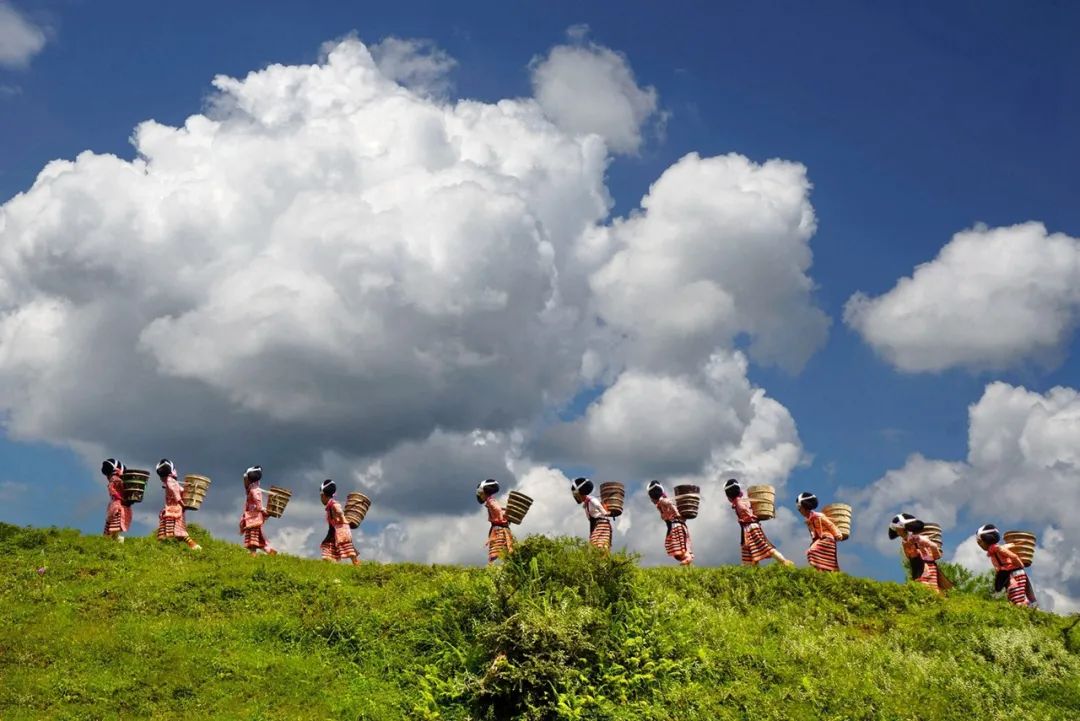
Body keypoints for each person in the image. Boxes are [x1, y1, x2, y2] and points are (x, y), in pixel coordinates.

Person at [725, 479, 792, 567]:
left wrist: (745, 519)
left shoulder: (739, 503)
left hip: (750, 528)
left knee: (764, 546)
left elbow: (747, 515)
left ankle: (784, 562)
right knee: (749, 548)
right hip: (749, 528)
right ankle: (752, 567)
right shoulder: (743, 500)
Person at [976, 524, 1037, 608]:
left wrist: (1020, 565)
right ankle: (1026, 610)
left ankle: (1026, 612)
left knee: (1016, 598)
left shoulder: (999, 549)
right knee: (1013, 597)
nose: (980, 544)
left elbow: (1013, 556)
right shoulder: (993, 551)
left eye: (980, 542)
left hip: (1015, 574)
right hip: (1008, 575)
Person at [888, 513, 951, 594]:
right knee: (925, 590)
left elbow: (937, 554)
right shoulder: (910, 543)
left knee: (932, 590)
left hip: (929, 571)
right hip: (921, 572)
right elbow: (911, 555)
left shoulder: (920, 544)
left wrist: (929, 543)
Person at [156, 459, 201, 550]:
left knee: (175, 530)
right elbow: (176, 493)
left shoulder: (170, 481)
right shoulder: (171, 481)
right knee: (174, 530)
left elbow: (177, 491)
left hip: (173, 509)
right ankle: (192, 546)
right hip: (174, 509)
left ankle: (193, 545)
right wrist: (182, 503)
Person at [647, 481, 693, 565]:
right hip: (674, 525)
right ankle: (687, 561)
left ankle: (688, 557)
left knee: (678, 547)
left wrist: (678, 515)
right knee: (675, 550)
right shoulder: (660, 504)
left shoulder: (663, 501)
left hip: (676, 525)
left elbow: (671, 505)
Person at [796, 492, 841, 572]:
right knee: (817, 554)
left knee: (812, 551)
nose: (800, 511)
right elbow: (813, 533)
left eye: (800, 509)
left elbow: (830, 524)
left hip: (827, 538)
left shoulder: (819, 516)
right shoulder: (808, 521)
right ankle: (820, 571)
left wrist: (837, 533)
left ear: (804, 507)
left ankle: (822, 570)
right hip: (820, 539)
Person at [319, 479, 359, 565]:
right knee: (327, 549)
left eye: (321, 497)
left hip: (341, 530)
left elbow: (339, 510)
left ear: (323, 495)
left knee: (349, 551)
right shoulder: (330, 505)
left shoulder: (333, 503)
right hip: (334, 531)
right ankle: (329, 566)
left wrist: (341, 518)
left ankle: (357, 565)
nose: (321, 499)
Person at [240, 465, 276, 557]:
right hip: (252, 518)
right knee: (258, 539)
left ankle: (253, 557)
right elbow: (245, 479)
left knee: (253, 542)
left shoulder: (254, 490)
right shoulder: (252, 489)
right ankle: (270, 552)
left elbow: (259, 506)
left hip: (254, 519)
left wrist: (264, 510)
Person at [477, 479, 512, 564]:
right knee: (505, 550)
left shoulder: (490, 501)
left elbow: (497, 509)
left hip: (498, 529)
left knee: (496, 551)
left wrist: (500, 518)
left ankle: (494, 569)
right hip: (501, 529)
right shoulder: (491, 500)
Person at [571, 477, 612, 551]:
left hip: (601, 523)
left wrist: (605, 513)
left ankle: (604, 557)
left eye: (576, 494)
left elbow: (598, 505)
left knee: (600, 542)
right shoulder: (586, 502)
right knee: (594, 542)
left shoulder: (592, 499)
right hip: (594, 524)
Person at [102, 458, 131, 543]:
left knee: (113, 527)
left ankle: (117, 541)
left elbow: (113, 490)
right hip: (117, 505)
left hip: (117, 505)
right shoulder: (117, 479)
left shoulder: (115, 479)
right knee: (113, 527)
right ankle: (116, 541)